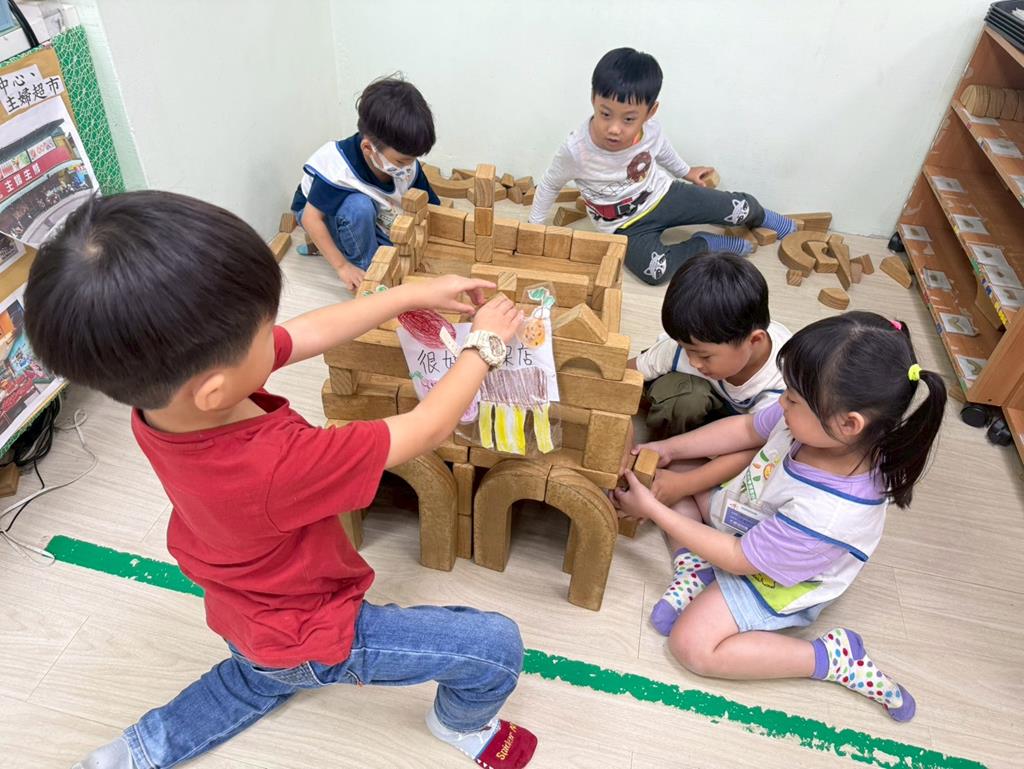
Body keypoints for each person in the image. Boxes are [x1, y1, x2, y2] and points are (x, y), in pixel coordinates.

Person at [25, 191, 538, 769]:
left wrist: (408, 295)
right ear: (215, 388)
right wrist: (484, 345)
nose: (278, 337)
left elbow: (312, 331)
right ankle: (461, 727)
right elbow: (427, 427)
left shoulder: (162, 402)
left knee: (256, 672)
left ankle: (135, 752)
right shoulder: (277, 464)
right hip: (312, 631)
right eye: (265, 332)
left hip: (243, 613)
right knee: (495, 648)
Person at [617, 312, 945, 722]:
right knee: (679, 472)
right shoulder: (815, 425)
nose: (781, 401)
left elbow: (740, 559)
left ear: (848, 424)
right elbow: (747, 430)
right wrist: (669, 448)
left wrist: (652, 509)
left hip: (770, 575)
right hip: (750, 520)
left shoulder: (829, 513)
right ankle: (695, 565)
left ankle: (830, 658)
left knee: (691, 645)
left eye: (792, 398)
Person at [528, 48, 797, 285]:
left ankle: (765, 218)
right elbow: (550, 183)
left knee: (739, 208)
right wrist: (534, 225)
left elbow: (662, 150)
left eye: (628, 119)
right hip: (624, 226)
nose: (614, 128)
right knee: (655, 272)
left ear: (650, 112)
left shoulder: (651, 130)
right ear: (593, 99)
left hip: (664, 195)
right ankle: (706, 243)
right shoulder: (576, 150)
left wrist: (686, 172)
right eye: (605, 113)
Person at [291, 76, 440, 292]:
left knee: (399, 246)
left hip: (369, 211)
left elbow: (431, 206)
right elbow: (311, 218)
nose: (408, 167)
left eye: (413, 159)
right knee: (359, 207)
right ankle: (367, 270)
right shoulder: (337, 168)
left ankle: (345, 245)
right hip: (318, 213)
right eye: (401, 161)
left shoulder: (406, 165)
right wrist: (342, 267)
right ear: (368, 148)